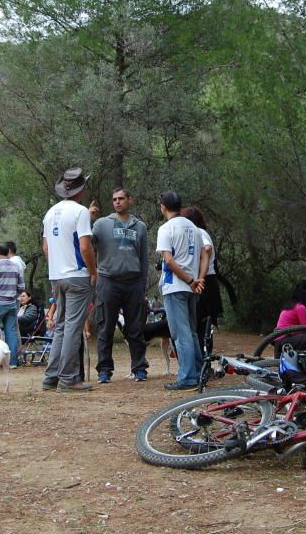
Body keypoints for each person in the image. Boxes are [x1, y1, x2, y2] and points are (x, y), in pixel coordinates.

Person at [41, 167, 97, 393]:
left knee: (62, 326)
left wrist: (56, 266)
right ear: (81, 190)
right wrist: (93, 270)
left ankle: (51, 376)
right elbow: (85, 246)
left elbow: (46, 248)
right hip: (77, 275)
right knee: (74, 327)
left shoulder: (50, 212)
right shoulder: (80, 212)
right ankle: (68, 378)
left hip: (57, 276)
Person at [88, 187, 149, 384]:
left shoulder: (140, 226)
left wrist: (142, 285)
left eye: (121, 198)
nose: (117, 202)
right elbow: (86, 243)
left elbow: (144, 258)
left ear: (130, 200)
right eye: (114, 199)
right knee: (105, 327)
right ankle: (104, 370)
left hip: (133, 282)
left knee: (135, 328)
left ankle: (139, 368)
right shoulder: (101, 224)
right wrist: (88, 219)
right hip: (108, 281)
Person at [155, 190, 204, 391]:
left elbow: (168, 260)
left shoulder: (166, 229)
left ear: (163, 207)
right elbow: (203, 255)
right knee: (191, 331)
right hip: (191, 287)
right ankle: (199, 371)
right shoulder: (193, 227)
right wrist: (198, 279)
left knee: (180, 333)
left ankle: (187, 377)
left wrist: (190, 280)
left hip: (175, 285)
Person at [182, 206, 223, 359]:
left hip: (205, 282)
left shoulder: (199, 233)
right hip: (207, 281)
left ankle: (202, 362)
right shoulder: (197, 233)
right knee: (201, 326)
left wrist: (199, 275)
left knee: (200, 325)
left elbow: (207, 248)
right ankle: (201, 361)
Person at [273, 280, 306, 356]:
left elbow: (303, 318)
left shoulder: (292, 305)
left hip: (279, 340)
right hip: (285, 340)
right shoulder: (300, 307)